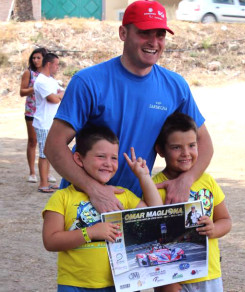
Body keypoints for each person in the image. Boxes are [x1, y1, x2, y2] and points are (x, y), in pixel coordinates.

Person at [44, 0, 213, 212]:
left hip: (135, 207)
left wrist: (186, 180)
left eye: (160, 35)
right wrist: (94, 190)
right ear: (123, 33)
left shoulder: (175, 86)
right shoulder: (89, 82)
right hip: (85, 205)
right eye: (144, 33)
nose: (154, 42)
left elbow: (204, 141)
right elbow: (54, 145)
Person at [42, 125, 163, 291]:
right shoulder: (62, 197)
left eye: (114, 158)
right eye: (101, 156)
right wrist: (90, 233)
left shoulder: (122, 195)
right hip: (75, 285)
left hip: (122, 283)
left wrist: (144, 177)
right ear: (78, 159)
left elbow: (157, 213)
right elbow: (50, 241)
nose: (108, 164)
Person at [153, 112, 232, 292]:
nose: (186, 153)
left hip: (209, 274)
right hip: (171, 276)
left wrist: (214, 229)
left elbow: (225, 220)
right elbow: (152, 234)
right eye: (176, 147)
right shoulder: (155, 186)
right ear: (160, 149)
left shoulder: (207, 181)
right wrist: (168, 283)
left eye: (192, 145)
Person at [19, 47, 56, 183]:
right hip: (31, 111)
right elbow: (22, 92)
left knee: (46, 144)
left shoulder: (49, 76)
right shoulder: (29, 73)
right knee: (33, 141)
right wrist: (35, 88)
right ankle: (32, 172)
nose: (35, 60)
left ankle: (47, 172)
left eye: (38, 58)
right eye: (33, 58)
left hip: (46, 113)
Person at [33, 52, 64, 193]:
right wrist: (58, 95)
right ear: (49, 64)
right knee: (44, 154)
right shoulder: (41, 81)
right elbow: (54, 99)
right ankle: (43, 183)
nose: (58, 67)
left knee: (49, 152)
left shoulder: (50, 80)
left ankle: (46, 180)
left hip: (51, 122)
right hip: (43, 122)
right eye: (56, 64)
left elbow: (62, 93)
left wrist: (58, 95)